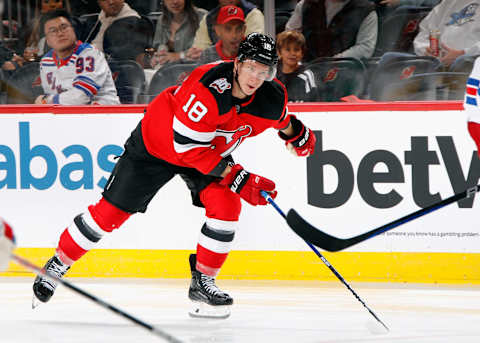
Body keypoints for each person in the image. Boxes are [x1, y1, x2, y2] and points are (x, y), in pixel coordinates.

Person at [31, 32, 316, 318]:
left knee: (227, 205)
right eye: (251, 67)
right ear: (237, 64)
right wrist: (238, 177)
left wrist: (296, 135)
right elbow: (188, 149)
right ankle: (57, 264)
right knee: (108, 215)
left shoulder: (271, 96)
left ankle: (203, 281)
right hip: (158, 145)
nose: (256, 76)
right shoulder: (207, 89)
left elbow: (281, 120)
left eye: (263, 70)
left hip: (206, 152)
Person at [34, 10, 120, 105]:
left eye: (64, 27)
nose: (60, 33)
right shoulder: (46, 61)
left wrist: (48, 100)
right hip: (68, 115)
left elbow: (80, 98)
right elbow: (52, 97)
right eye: (53, 31)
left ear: (74, 30)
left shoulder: (90, 55)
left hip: (105, 114)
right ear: (47, 40)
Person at [285, 0, 378, 62]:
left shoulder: (366, 10)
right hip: (305, 71)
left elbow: (365, 48)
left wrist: (333, 62)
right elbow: (289, 36)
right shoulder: (306, 4)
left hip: (344, 73)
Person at [413, 1, 480, 68]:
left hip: (472, 70)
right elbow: (424, 32)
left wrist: (465, 54)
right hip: (435, 69)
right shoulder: (446, 3)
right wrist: (426, 50)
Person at [82, 0, 150, 62]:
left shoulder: (133, 24)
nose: (111, 2)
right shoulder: (94, 21)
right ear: (98, 2)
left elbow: (115, 58)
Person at [190, 0, 264, 55]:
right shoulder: (208, 18)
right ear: (217, 30)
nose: (233, 35)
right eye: (228, 29)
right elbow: (200, 50)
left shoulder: (253, 14)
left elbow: (254, 49)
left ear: (244, 29)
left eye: (238, 29)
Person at [150, 0, 207, 67]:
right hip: (170, 71)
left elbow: (204, 52)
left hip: (195, 69)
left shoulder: (202, 17)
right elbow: (157, 48)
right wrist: (157, 58)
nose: (175, 1)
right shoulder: (162, 20)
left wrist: (179, 56)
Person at [275, 30, 318, 102]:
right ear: (279, 52)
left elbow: (314, 104)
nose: (292, 53)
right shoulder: (273, 74)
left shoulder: (307, 75)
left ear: (302, 53)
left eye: (296, 50)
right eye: (288, 50)